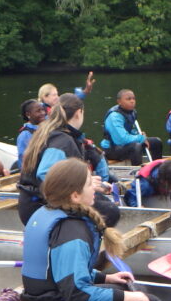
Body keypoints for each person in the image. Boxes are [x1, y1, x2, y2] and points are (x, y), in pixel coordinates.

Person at [21, 158, 165, 301]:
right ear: (75, 196)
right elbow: (77, 294)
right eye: (89, 184)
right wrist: (127, 298)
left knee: (138, 292)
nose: (94, 188)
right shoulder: (72, 233)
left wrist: (105, 278)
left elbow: (64, 271)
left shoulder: (47, 213)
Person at [17, 93, 120, 227]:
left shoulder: (52, 132)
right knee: (110, 212)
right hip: (39, 206)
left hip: (36, 201)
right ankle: (86, 243)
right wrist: (81, 184)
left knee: (103, 201)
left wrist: (87, 183)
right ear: (79, 113)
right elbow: (44, 175)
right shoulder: (61, 141)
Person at [100, 89, 163, 165]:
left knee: (157, 142)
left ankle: (157, 168)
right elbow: (121, 140)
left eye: (133, 98)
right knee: (136, 146)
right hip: (112, 149)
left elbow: (131, 131)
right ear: (119, 101)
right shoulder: (114, 117)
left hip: (125, 146)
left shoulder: (132, 112)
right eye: (128, 99)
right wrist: (140, 138)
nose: (132, 101)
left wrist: (138, 134)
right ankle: (138, 173)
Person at [17, 99, 46, 164]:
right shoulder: (24, 135)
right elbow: (23, 161)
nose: (43, 113)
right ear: (28, 114)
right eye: (38, 111)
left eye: (43, 110)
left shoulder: (47, 128)